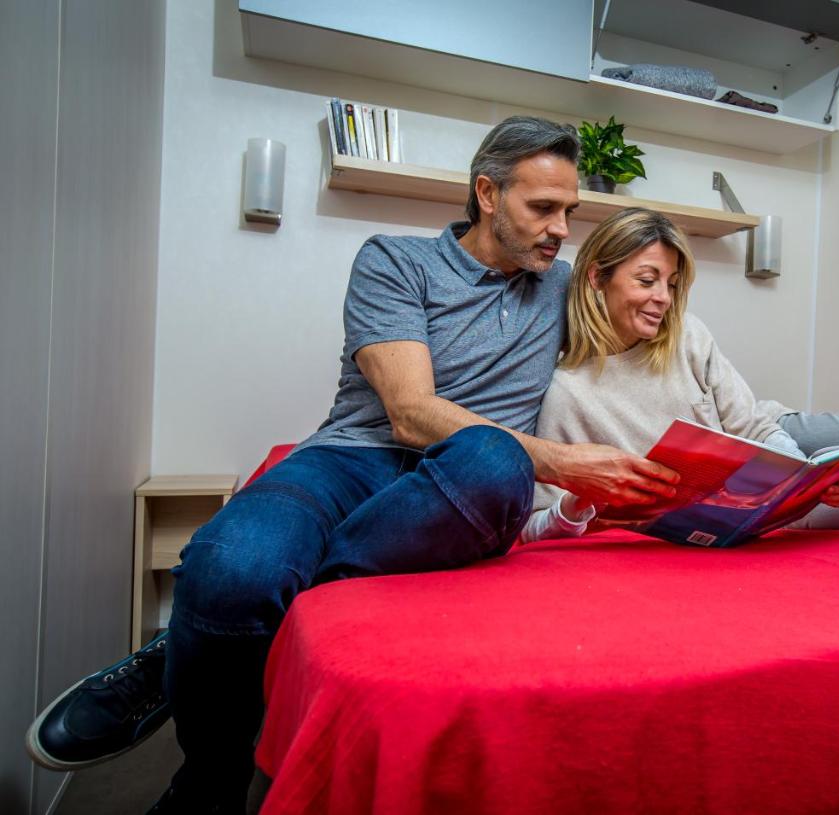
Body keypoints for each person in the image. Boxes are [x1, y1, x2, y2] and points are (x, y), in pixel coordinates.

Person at [25, 118, 679, 814]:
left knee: (495, 458)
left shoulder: (562, 287)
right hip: (352, 458)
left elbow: (645, 310)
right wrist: (564, 462)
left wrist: (661, 291)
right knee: (233, 565)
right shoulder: (396, 261)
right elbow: (410, 412)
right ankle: (208, 781)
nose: (561, 230)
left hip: (463, 486)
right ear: (488, 194)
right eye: (542, 207)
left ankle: (186, 646)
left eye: (570, 211)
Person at [520, 207, 839, 544]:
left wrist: (805, 480)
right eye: (647, 280)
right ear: (597, 278)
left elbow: (752, 425)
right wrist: (579, 507)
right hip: (738, 511)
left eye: (671, 284)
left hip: (775, 441)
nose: (663, 297)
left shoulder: (685, 334)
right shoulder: (569, 396)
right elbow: (540, 522)